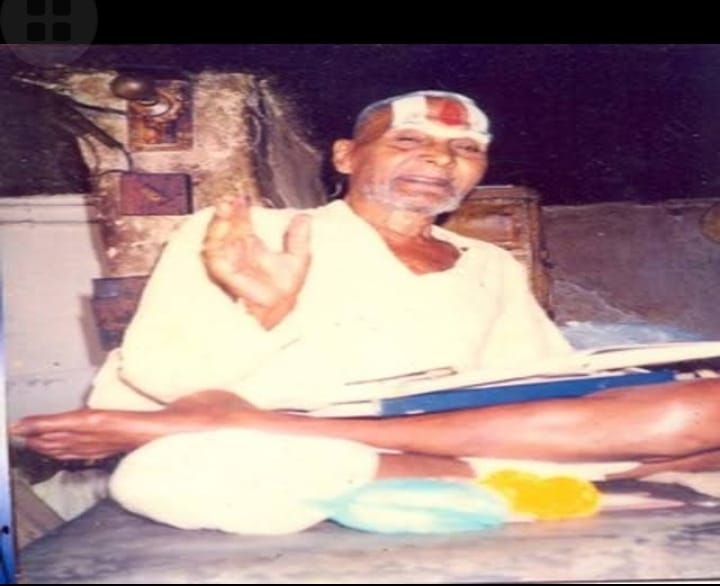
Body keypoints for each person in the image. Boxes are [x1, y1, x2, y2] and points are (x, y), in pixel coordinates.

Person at [11, 90, 720, 507]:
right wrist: (265, 311)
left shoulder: (489, 265)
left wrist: (635, 381)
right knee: (184, 468)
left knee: (704, 408)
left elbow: (533, 380)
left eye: (464, 149)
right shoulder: (254, 233)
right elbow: (164, 377)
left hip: (438, 440)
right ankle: (508, 477)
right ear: (346, 156)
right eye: (410, 140)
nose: (440, 159)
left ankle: (456, 473)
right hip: (257, 435)